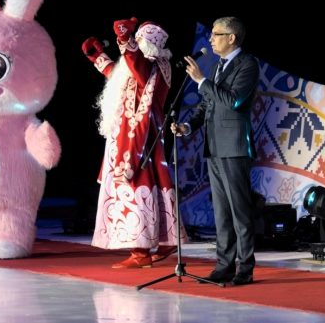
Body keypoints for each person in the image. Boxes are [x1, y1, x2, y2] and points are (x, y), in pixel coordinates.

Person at [82, 17, 180, 268]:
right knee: (154, 184)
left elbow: (135, 65)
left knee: (137, 183)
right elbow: (119, 75)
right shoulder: (141, 66)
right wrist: (98, 57)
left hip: (140, 137)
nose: (135, 43)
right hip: (129, 133)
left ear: (149, 44)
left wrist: (124, 38)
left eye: (138, 39)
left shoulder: (155, 65)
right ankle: (165, 241)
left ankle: (141, 252)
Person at [171, 16, 260, 286]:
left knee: (239, 211)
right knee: (221, 212)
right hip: (215, 146)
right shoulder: (219, 66)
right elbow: (208, 104)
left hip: (234, 146)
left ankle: (245, 268)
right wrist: (188, 126)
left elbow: (234, 101)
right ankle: (224, 265)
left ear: (231, 38)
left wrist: (201, 80)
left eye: (216, 34)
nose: (211, 39)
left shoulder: (247, 64)